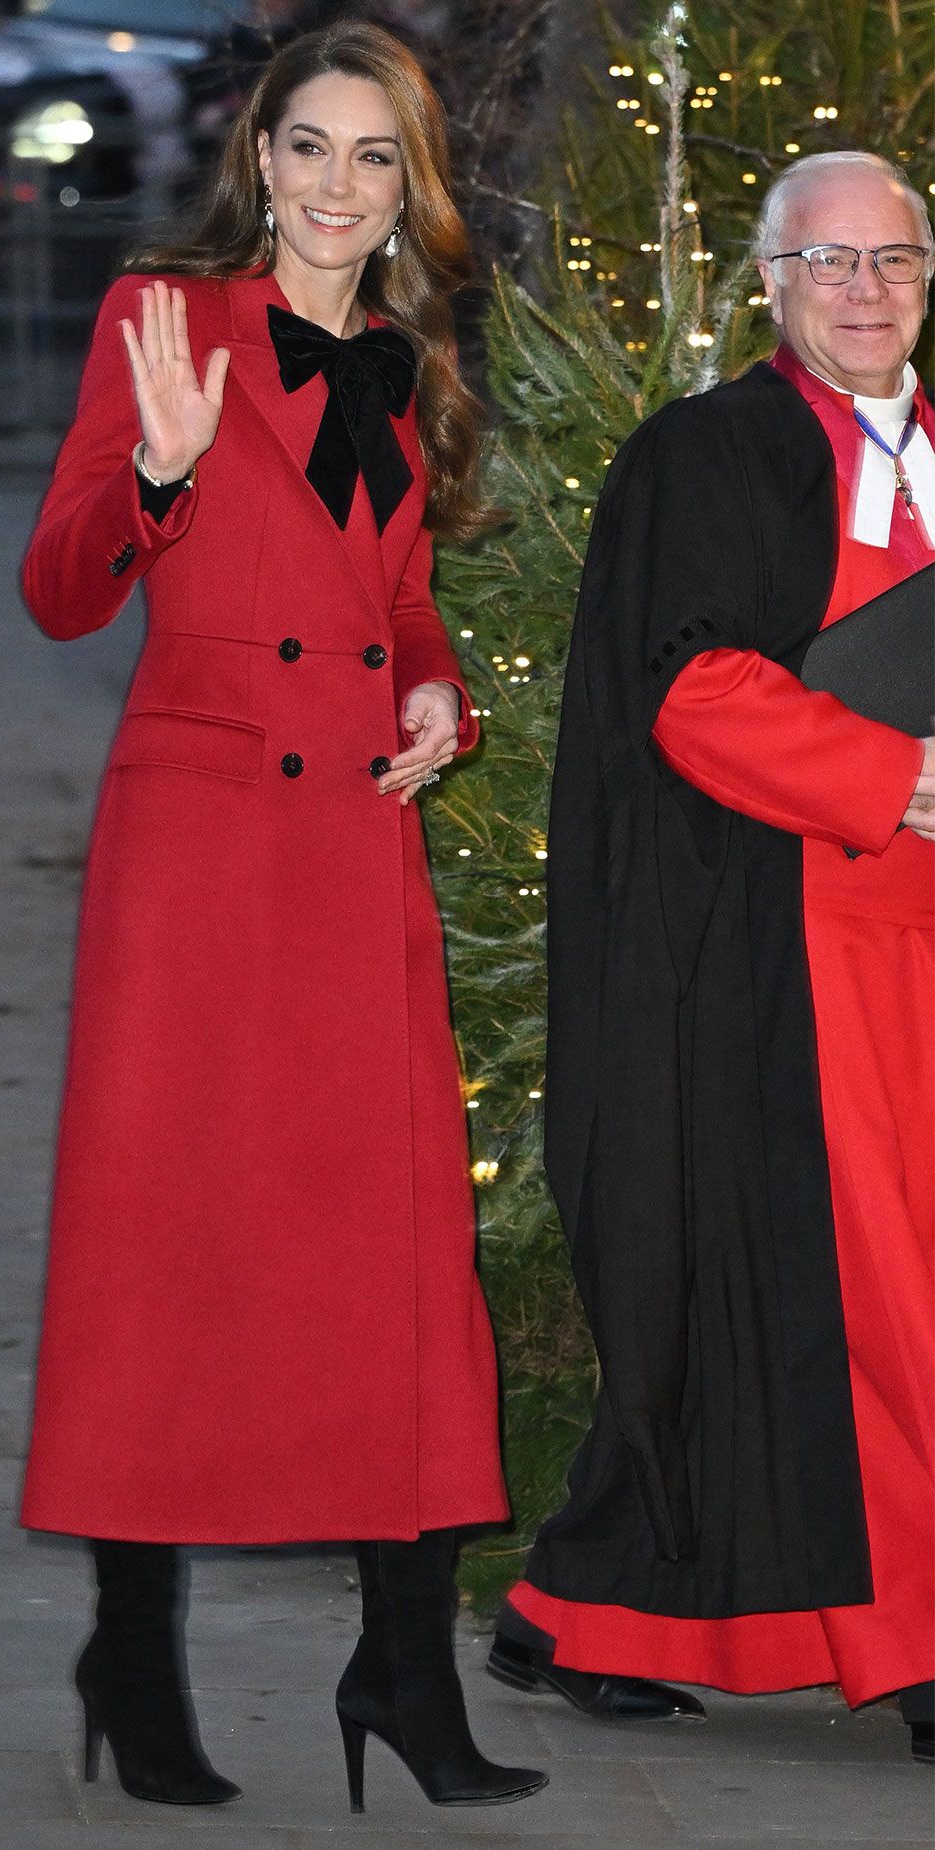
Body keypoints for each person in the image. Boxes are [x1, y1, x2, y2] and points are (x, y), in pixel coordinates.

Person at [17, 21, 547, 1816]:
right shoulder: (164, 321)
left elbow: (393, 606)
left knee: (405, 1261)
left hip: (352, 862)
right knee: (167, 1251)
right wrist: (161, 475)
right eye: (309, 148)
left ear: (411, 186)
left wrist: (438, 701)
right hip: (203, 855)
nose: (336, 187)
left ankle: (402, 1668)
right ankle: (130, 1647)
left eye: (373, 158)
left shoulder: (407, 361)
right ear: (262, 158)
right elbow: (61, 587)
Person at [487, 150, 935, 1765]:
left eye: (894, 257)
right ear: (771, 282)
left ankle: (590, 1612)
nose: (866, 290)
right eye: (830, 263)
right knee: (881, 1297)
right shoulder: (708, 453)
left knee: (781, 1322)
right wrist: (908, 779)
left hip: (920, 945)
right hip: (803, 945)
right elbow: (685, 689)